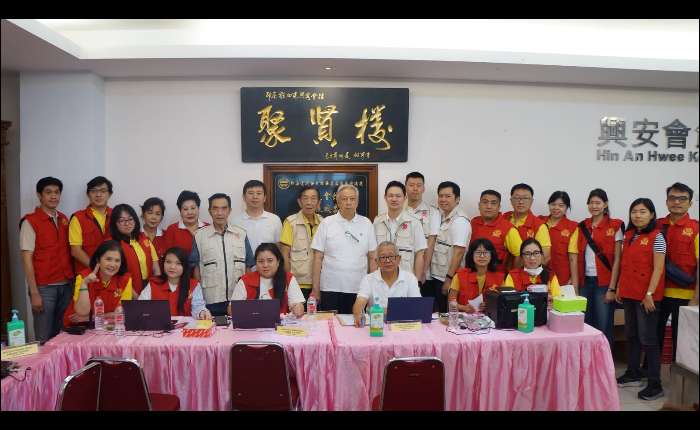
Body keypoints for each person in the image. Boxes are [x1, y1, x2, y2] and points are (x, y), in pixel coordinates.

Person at [616, 198, 666, 401]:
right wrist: (619, 287)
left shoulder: (658, 237)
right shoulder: (629, 235)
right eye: (634, 211)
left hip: (647, 296)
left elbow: (658, 268)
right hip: (629, 293)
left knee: (649, 340)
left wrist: (649, 294)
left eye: (643, 211)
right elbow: (625, 265)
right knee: (632, 335)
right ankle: (633, 372)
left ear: (652, 215)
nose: (637, 215)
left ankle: (655, 384)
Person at [19, 177, 74, 343]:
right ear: (39, 195)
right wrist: (34, 292)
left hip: (66, 285)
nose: (53, 196)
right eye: (48, 192)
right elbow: (26, 259)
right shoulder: (30, 221)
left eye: (57, 192)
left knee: (63, 336)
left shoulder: (64, 219)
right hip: (44, 288)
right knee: (44, 337)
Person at [569, 188, 623, 349]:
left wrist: (612, 288)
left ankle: (605, 360)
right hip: (585, 282)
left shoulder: (615, 225)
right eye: (591, 203)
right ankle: (588, 359)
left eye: (598, 203)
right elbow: (574, 258)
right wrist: (575, 287)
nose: (594, 206)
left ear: (605, 204)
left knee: (603, 324)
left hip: (604, 284)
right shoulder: (582, 226)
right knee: (585, 324)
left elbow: (618, 259)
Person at [311, 184, 378, 314]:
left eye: (352, 199)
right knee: (330, 323)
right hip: (330, 288)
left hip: (359, 288)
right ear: (337, 201)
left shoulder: (366, 223)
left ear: (357, 202)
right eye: (344, 199)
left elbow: (372, 259)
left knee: (355, 324)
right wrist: (315, 289)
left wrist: (372, 289)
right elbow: (317, 258)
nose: (348, 202)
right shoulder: (327, 223)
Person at [190, 193, 255, 316]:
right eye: (215, 208)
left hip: (238, 298)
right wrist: (199, 301)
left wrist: (247, 295)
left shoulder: (241, 234)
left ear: (229, 210)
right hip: (211, 300)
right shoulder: (199, 236)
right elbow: (196, 268)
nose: (219, 213)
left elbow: (248, 266)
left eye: (224, 208)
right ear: (209, 211)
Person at [657, 182, 698, 362]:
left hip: (686, 295)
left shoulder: (696, 228)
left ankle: (677, 374)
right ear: (666, 201)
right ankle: (651, 372)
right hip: (658, 293)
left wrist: (696, 298)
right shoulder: (657, 225)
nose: (677, 202)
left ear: (690, 203)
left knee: (681, 339)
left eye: (682, 199)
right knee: (653, 335)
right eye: (672, 198)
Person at [352, 241, 421, 327]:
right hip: (376, 327)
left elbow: (417, 306)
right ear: (377, 261)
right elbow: (360, 302)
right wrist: (357, 313)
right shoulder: (368, 279)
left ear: (398, 259)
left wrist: (381, 311)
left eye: (391, 256)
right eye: (383, 257)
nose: (387, 260)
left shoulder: (410, 278)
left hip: (401, 326)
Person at [427, 181, 471, 313]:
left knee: (446, 314)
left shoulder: (460, 221)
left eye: (448, 196)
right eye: (441, 196)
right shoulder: (441, 216)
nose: (443, 199)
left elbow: (459, 253)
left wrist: (449, 280)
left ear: (457, 199)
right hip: (437, 276)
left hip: (447, 279)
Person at [67, 240, 133, 326]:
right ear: (98, 260)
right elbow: (82, 313)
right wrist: (84, 283)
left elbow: (122, 314)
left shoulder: (125, 279)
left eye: (117, 261)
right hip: (80, 327)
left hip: (109, 326)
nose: (112, 265)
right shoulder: (83, 277)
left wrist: (91, 318)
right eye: (108, 259)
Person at [232, 243, 305, 317]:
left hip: (281, 324)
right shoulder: (245, 280)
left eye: (270, 261)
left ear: (278, 262)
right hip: (252, 323)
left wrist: (297, 307)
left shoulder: (288, 278)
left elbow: (299, 309)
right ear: (256, 263)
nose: (265, 265)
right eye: (261, 261)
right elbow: (231, 310)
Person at [374, 181, 427, 280]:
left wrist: (417, 282)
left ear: (405, 198)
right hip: (381, 279)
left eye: (398, 196)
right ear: (385, 197)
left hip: (406, 280)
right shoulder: (377, 222)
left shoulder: (414, 223)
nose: (394, 199)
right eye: (391, 196)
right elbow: (374, 253)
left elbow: (420, 254)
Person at [279, 185, 323, 303]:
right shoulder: (290, 222)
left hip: (320, 283)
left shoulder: (324, 223)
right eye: (305, 198)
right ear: (299, 202)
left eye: (313, 198)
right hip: (297, 283)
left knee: (319, 314)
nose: (309, 202)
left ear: (318, 202)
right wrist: (288, 282)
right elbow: (284, 255)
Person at [139, 247, 210, 319]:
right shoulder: (153, 284)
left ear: (184, 266)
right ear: (163, 263)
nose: (172, 267)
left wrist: (202, 312)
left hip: (185, 326)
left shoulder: (193, 285)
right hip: (158, 325)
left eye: (178, 263)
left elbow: (198, 307)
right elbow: (140, 307)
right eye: (168, 262)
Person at [108, 203, 160, 297]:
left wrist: (156, 288)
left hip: (148, 287)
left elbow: (156, 268)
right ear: (115, 224)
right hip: (126, 290)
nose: (127, 223)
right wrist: (137, 297)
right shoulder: (112, 245)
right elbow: (114, 275)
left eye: (130, 219)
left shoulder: (143, 238)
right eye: (121, 220)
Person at [470, 189, 522, 272]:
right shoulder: (473, 222)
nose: (489, 206)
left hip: (496, 275)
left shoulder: (508, 228)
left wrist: (514, 275)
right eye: (485, 202)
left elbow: (519, 254)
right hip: (472, 274)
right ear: (479, 205)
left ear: (499, 207)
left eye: (493, 203)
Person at [69, 176, 113, 273]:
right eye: (94, 191)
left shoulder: (117, 215)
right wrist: (98, 269)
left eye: (103, 191)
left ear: (110, 194)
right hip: (86, 274)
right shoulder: (78, 218)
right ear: (88, 194)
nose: (98, 195)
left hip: (112, 274)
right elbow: (76, 251)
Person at [448, 238, 505, 313]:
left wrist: (489, 305)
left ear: (491, 256)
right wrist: (464, 308)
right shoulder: (460, 275)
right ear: (472, 255)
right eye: (478, 252)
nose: (482, 256)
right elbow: (451, 302)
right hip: (464, 317)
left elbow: (503, 303)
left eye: (486, 252)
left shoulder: (499, 278)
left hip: (489, 318)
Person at [404, 172, 440, 289]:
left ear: (423, 188)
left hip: (425, 274)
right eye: (411, 185)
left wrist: (423, 271)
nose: (415, 188)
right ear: (405, 187)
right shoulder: (398, 210)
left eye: (419, 185)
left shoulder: (433, 212)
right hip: (402, 271)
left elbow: (431, 242)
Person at [231, 180, 282, 259]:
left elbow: (279, 246)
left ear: (264, 198)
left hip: (268, 265)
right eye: (251, 193)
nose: (255, 196)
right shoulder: (235, 221)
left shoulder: (274, 219)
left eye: (259, 193)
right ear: (244, 197)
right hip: (244, 265)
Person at [504, 183, 551, 265]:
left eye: (525, 198)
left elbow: (545, 258)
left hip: (525, 271)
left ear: (532, 201)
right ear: (511, 200)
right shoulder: (503, 218)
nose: (521, 202)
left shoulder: (539, 226)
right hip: (499, 270)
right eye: (517, 198)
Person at [539, 191, 578, 285]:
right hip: (539, 276)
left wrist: (573, 280)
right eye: (553, 204)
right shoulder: (539, 221)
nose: (556, 208)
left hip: (562, 276)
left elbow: (573, 259)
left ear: (567, 207)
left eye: (561, 205)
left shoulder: (573, 227)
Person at [163, 190, 208, 256]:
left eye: (193, 208)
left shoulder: (207, 228)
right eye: (185, 209)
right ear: (180, 211)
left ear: (198, 208)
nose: (190, 212)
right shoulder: (172, 229)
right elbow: (168, 256)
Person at [140, 197, 167, 265]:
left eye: (157, 214)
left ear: (162, 217)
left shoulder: (166, 235)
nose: (153, 217)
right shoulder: (135, 235)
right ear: (143, 214)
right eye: (150, 213)